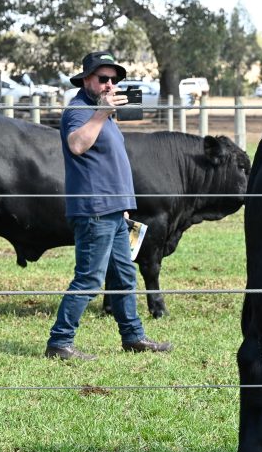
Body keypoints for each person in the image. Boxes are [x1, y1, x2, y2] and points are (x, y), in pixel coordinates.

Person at [44, 51, 172, 360]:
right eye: (103, 79)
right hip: (95, 211)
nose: (110, 85)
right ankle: (59, 342)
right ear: (86, 79)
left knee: (124, 276)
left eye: (114, 80)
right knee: (89, 279)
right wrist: (102, 113)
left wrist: (123, 205)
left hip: (113, 210)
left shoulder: (103, 113)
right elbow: (77, 145)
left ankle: (133, 337)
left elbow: (107, 162)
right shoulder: (79, 110)